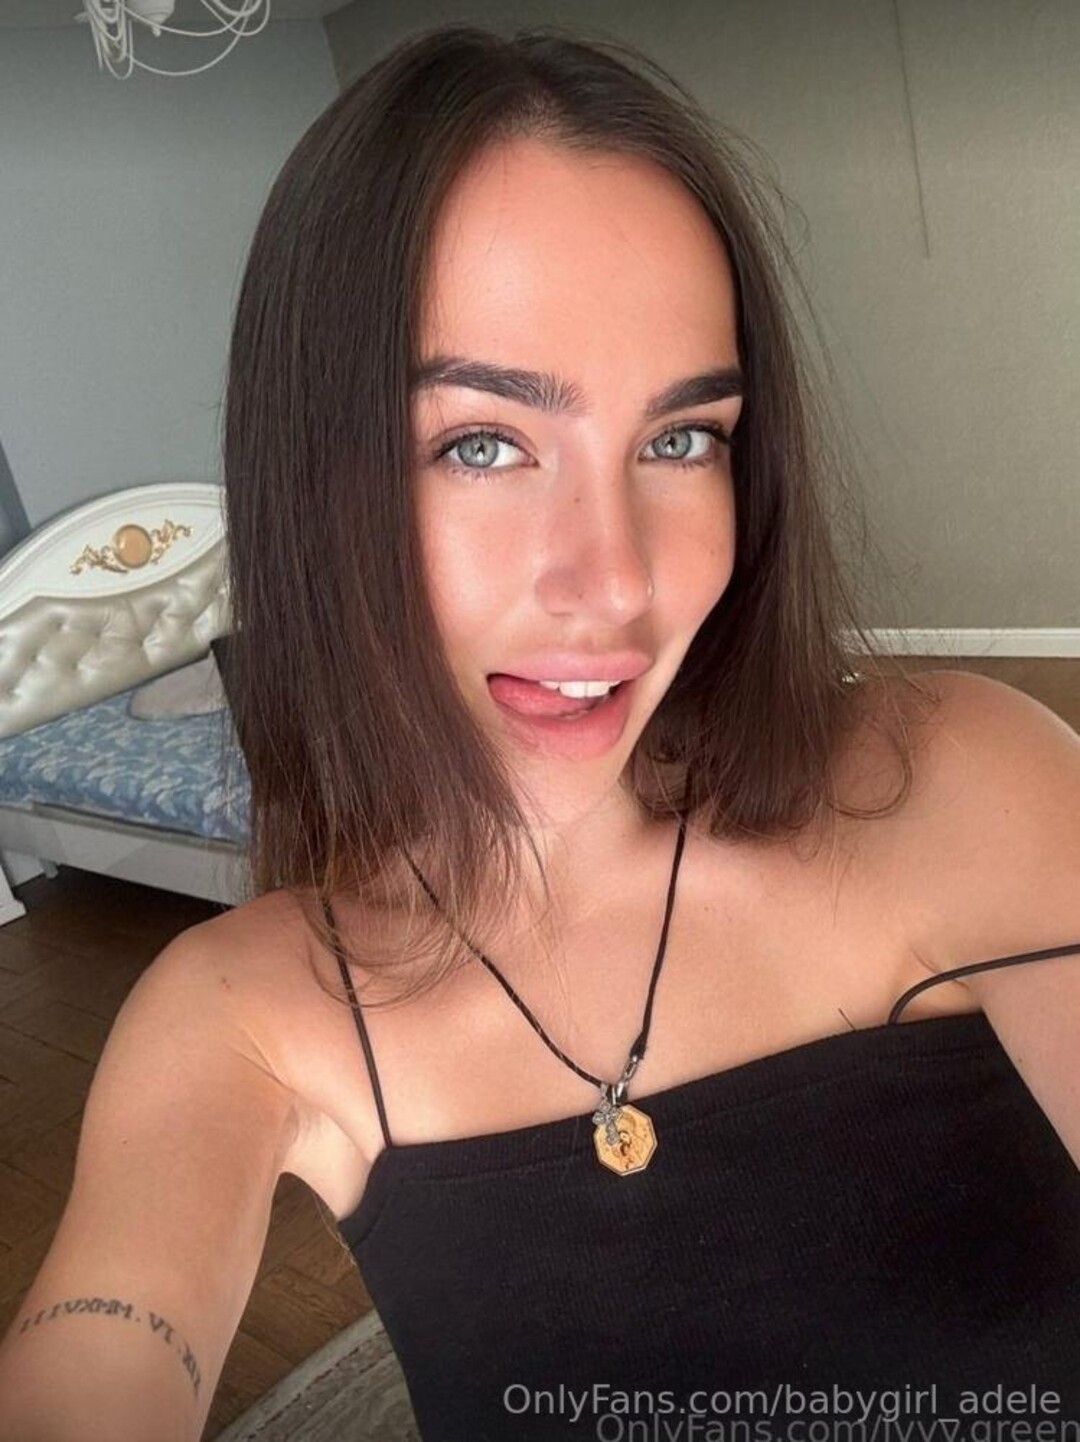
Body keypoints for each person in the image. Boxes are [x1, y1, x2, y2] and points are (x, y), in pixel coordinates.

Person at [1, 21, 1078, 1442]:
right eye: (483, 443)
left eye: (681, 439)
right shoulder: (248, 1016)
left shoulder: (954, 781)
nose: (616, 582)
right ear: (316, 484)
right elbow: (102, 1352)